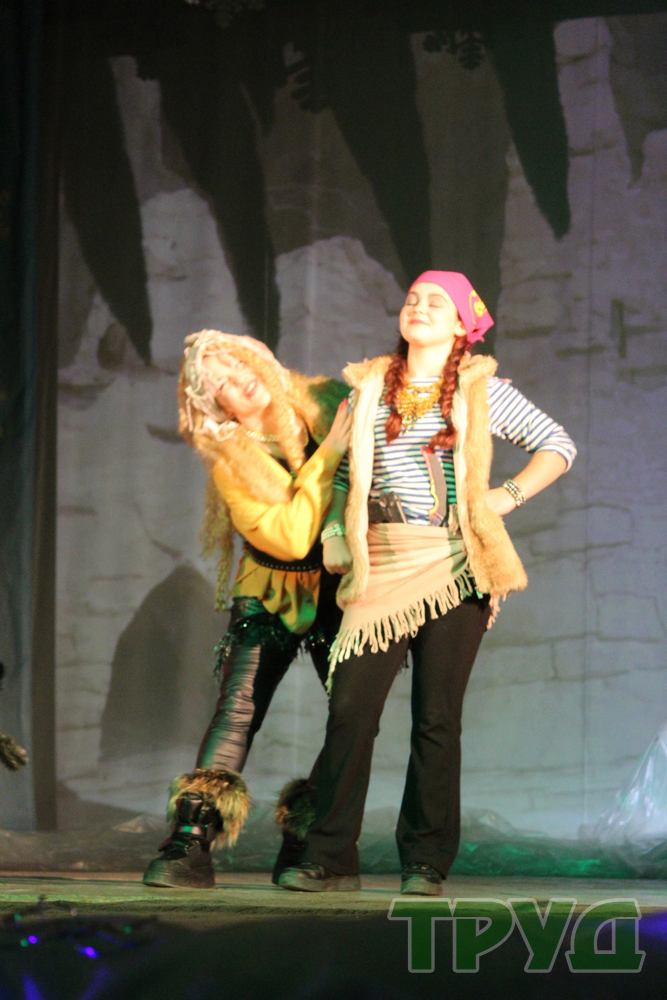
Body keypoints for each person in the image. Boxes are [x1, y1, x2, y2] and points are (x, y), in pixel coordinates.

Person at [277, 270, 576, 895]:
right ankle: (330, 857)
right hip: (381, 561)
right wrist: (333, 533)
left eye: (437, 302)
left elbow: (557, 444)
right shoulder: (366, 390)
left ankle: (425, 861)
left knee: (437, 718)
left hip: (453, 562)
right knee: (351, 710)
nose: (419, 307)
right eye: (413, 298)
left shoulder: (482, 390)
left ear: (464, 324)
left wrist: (505, 496)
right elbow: (343, 475)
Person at [143, 330, 351, 889]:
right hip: (270, 589)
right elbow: (292, 538)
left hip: (341, 587)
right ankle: (190, 841)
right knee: (238, 711)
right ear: (217, 406)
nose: (244, 383)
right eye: (225, 385)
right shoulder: (230, 460)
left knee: (353, 713)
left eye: (243, 368)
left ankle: (308, 836)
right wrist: (332, 453)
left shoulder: (326, 403)